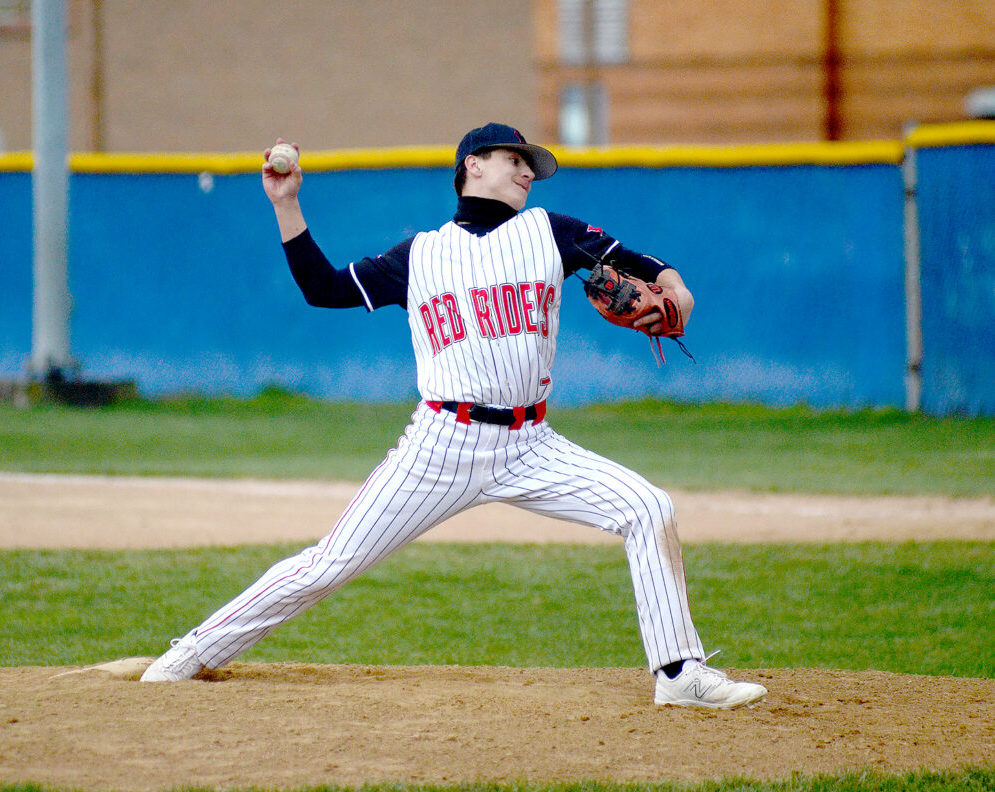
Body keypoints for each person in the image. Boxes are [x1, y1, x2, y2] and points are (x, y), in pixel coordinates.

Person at [141, 122, 767, 709]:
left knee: (648, 509)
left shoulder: (549, 229)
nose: (528, 173)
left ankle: (679, 676)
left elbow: (638, 261)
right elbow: (323, 288)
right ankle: (193, 651)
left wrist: (675, 283)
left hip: (531, 443)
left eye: (532, 165)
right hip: (441, 446)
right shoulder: (420, 254)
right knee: (329, 565)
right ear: (474, 165)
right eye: (515, 160)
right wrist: (286, 203)